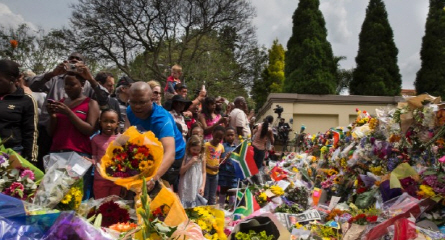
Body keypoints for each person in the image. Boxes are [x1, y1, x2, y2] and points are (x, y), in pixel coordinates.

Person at [28, 52, 108, 166]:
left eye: (78, 59)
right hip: (52, 138)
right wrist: (52, 73)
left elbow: (104, 100)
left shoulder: (88, 84)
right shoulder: (55, 78)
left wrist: (90, 78)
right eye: (71, 58)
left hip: (77, 145)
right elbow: (32, 86)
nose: (74, 60)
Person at [47, 71, 100, 200]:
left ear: (82, 84)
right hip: (57, 153)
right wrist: (52, 116)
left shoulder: (90, 103)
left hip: (79, 155)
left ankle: (74, 221)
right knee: (54, 195)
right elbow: (50, 132)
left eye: (72, 84)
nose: (68, 88)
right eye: (66, 84)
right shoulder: (60, 102)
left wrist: (69, 113)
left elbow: (89, 129)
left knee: (75, 197)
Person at [124, 82, 185, 192]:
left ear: (152, 99)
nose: (137, 106)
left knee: (156, 191)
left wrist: (153, 179)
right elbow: (126, 136)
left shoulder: (161, 119)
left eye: (142, 102)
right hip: (150, 151)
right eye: (133, 102)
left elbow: (170, 154)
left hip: (172, 155)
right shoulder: (130, 110)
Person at [0, 59, 38, 162]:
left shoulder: (26, 100)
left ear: (11, 79)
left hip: (11, 154)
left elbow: (30, 132)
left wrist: (31, 159)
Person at [91, 109, 122, 199]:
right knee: (101, 205)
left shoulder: (122, 139)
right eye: (105, 121)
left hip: (117, 180)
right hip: (101, 180)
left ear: (117, 124)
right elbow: (95, 157)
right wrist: (91, 161)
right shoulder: (95, 139)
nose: (108, 124)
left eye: (112, 122)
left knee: (115, 206)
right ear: (100, 122)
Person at [178, 135, 206, 208]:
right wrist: (190, 162)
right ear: (189, 147)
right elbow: (181, 171)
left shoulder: (202, 156)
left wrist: (203, 186)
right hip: (186, 184)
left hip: (197, 183)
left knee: (196, 203)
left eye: (198, 150)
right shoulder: (186, 155)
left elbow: (203, 172)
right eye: (194, 149)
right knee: (185, 203)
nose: (196, 152)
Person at [203, 125, 225, 205]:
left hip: (215, 174)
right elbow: (202, 161)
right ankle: (204, 211)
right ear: (212, 134)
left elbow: (220, 159)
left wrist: (224, 159)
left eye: (220, 138)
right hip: (206, 173)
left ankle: (211, 211)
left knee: (213, 194)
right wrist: (211, 167)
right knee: (205, 194)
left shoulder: (221, 147)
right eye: (216, 137)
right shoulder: (206, 145)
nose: (218, 139)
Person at [218, 127, 238, 209]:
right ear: (225, 136)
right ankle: (221, 207)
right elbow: (219, 158)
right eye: (228, 135)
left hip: (233, 173)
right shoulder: (222, 146)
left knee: (232, 192)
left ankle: (231, 209)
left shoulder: (237, 148)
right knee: (223, 190)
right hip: (224, 172)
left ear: (235, 136)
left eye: (232, 135)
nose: (230, 137)